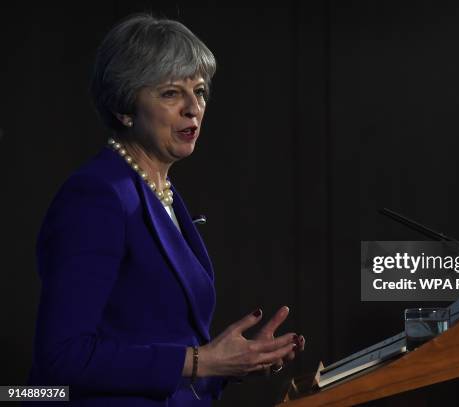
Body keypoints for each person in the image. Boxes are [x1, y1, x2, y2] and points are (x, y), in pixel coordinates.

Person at [26, 13, 305, 406]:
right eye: (171, 93)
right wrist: (201, 361)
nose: (194, 108)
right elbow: (60, 359)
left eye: (201, 91)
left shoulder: (159, 191)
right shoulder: (98, 196)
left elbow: (163, 352)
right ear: (125, 108)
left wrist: (235, 361)